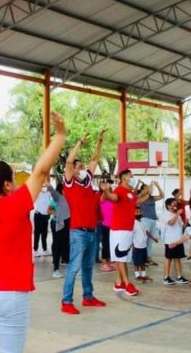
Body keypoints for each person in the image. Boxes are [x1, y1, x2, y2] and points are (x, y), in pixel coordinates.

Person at [0, 112, 65, 351]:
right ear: (6, 185)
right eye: (13, 179)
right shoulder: (15, 204)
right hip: (10, 293)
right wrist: (60, 135)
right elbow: (41, 172)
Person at [61, 129, 107, 315]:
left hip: (92, 230)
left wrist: (99, 140)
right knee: (74, 267)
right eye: (78, 167)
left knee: (88, 266)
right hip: (78, 232)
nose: (80, 168)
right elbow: (69, 161)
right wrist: (79, 142)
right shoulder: (70, 184)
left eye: (81, 167)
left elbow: (95, 159)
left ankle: (88, 297)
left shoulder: (87, 181)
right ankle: (66, 301)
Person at [102, 169, 148, 297]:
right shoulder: (119, 190)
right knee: (121, 257)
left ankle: (118, 283)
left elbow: (136, 202)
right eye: (129, 175)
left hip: (128, 229)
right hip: (119, 229)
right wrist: (106, 191)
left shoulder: (130, 192)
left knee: (122, 258)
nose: (132, 177)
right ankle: (127, 284)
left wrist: (147, 193)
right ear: (123, 177)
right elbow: (113, 197)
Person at [161, 198, 187, 284]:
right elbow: (171, 223)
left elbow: (182, 226)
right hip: (170, 241)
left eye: (176, 204)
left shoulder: (177, 215)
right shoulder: (166, 214)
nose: (175, 206)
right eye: (173, 204)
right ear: (168, 206)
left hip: (178, 240)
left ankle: (179, 276)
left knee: (177, 259)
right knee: (168, 259)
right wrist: (177, 214)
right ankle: (166, 277)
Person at [138, 181, 163, 266]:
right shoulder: (141, 196)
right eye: (146, 187)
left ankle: (149, 258)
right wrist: (149, 187)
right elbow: (141, 194)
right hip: (145, 219)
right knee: (143, 240)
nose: (149, 188)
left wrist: (158, 185)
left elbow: (162, 196)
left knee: (150, 242)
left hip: (153, 220)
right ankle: (142, 259)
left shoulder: (151, 198)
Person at [48, 183, 70, 279]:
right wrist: (55, 214)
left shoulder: (67, 199)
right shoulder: (56, 198)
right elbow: (48, 210)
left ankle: (65, 260)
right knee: (57, 244)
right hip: (56, 223)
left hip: (66, 224)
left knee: (65, 244)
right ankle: (56, 269)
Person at [132, 208, 157, 283]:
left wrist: (153, 238)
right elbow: (131, 234)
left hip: (143, 246)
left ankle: (143, 275)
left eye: (140, 212)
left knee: (143, 262)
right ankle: (137, 276)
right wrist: (132, 245)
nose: (139, 213)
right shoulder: (133, 223)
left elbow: (146, 231)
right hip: (137, 246)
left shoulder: (142, 222)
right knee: (137, 262)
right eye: (136, 212)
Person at [98, 180, 114, 272]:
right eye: (109, 190)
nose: (110, 191)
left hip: (113, 226)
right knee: (105, 244)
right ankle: (104, 263)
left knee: (111, 244)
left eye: (110, 190)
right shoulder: (103, 199)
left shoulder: (113, 200)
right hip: (106, 225)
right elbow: (104, 194)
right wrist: (106, 189)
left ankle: (111, 261)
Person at [32, 185, 51, 256]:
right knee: (37, 233)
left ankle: (45, 249)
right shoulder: (37, 193)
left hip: (45, 216)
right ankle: (35, 249)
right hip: (38, 215)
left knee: (44, 233)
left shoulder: (48, 193)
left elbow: (49, 187)